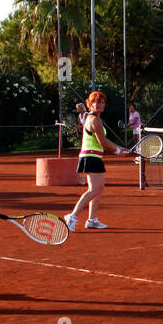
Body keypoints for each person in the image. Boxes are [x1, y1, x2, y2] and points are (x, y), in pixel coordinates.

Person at [64, 91, 125, 231]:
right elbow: (103, 142)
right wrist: (118, 152)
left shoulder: (95, 118)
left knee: (98, 188)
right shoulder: (94, 120)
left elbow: (106, 141)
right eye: (97, 102)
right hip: (90, 156)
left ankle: (92, 220)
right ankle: (72, 216)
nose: (101, 105)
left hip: (94, 156)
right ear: (90, 104)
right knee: (94, 189)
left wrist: (122, 148)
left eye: (102, 102)